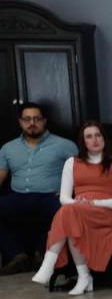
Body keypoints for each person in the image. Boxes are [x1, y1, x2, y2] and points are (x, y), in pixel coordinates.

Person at [31, 121, 112, 294]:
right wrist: (79, 204)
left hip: (103, 214)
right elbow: (64, 198)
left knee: (69, 213)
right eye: (89, 136)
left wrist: (93, 203)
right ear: (83, 142)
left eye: (98, 135)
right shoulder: (71, 162)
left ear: (104, 139)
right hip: (77, 212)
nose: (94, 140)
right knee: (70, 215)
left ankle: (50, 262)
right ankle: (84, 277)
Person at [0, 102, 79, 275]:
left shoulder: (65, 145)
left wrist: (72, 192)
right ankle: (17, 256)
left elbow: (80, 173)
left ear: (44, 121)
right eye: (27, 119)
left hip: (50, 196)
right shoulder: (8, 148)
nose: (32, 123)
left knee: (66, 211)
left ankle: (42, 253)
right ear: (20, 122)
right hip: (18, 196)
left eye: (37, 118)